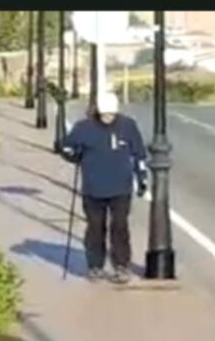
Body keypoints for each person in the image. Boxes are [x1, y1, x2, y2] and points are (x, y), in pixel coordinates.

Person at [55, 90, 148, 284]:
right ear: (98, 111)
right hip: (93, 187)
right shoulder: (84, 128)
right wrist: (73, 156)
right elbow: (65, 146)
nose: (108, 118)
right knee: (95, 227)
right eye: (105, 114)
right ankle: (95, 265)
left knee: (120, 226)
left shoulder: (127, 126)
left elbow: (139, 154)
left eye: (111, 115)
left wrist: (142, 179)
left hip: (121, 186)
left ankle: (121, 265)